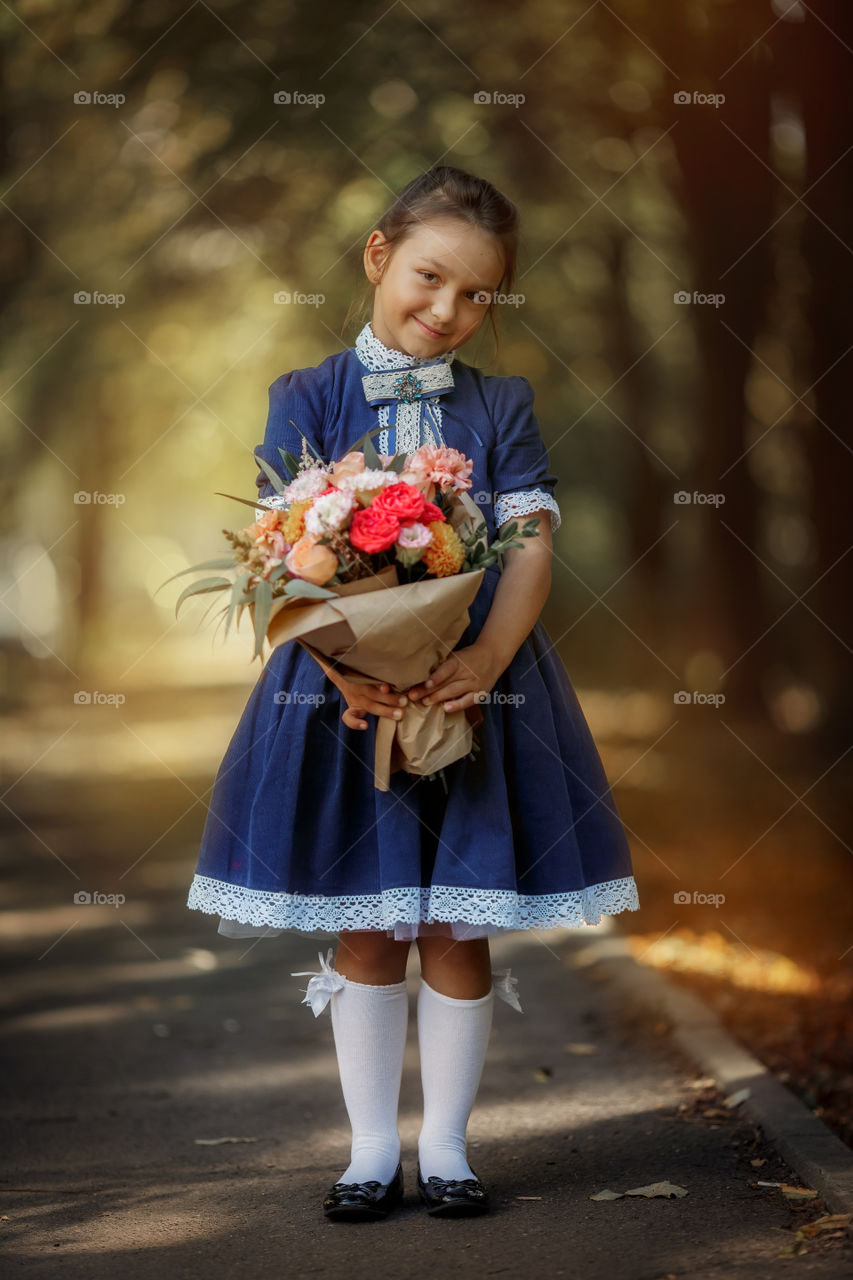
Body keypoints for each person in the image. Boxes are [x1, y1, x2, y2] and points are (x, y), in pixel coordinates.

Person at [186, 164, 640, 1221]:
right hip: (335, 699)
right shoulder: (304, 395)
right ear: (379, 257)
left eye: (477, 295)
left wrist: (481, 664)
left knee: (453, 923)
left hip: (479, 687)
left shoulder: (501, 404)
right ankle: (362, 1153)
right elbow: (284, 556)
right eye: (430, 278)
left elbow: (526, 543)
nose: (447, 310)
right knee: (367, 920)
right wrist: (349, 671)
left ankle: (445, 1150)